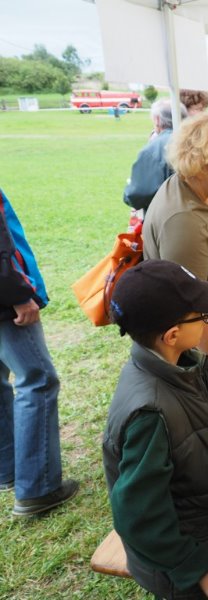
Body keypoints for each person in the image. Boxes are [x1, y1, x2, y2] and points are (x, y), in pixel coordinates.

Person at [103, 259, 208, 600]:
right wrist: (199, 567)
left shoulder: (177, 370)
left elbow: (196, 442)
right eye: (204, 316)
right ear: (172, 335)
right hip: (197, 567)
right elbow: (138, 517)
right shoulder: (150, 413)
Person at [143, 113, 208, 399]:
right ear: (201, 166)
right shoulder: (184, 220)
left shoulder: (196, 191)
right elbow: (190, 306)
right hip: (199, 359)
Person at [0, 188, 78, 517]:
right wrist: (17, 293)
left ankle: (8, 468)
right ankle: (38, 488)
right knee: (38, 379)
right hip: (6, 301)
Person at [123, 99, 188, 218]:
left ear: (157, 120)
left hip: (167, 219)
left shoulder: (153, 150)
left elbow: (138, 194)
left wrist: (128, 192)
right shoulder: (199, 141)